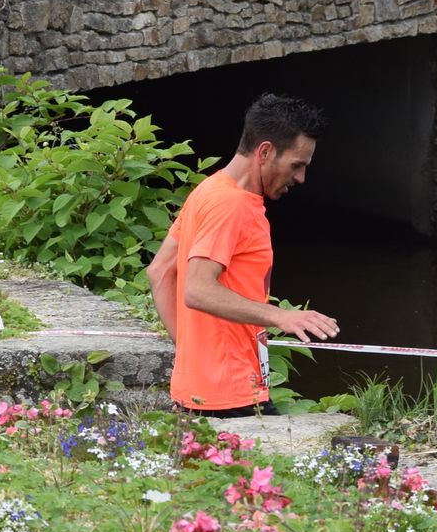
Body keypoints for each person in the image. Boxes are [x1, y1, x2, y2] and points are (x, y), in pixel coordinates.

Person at [145, 93, 339, 417]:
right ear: (265, 152)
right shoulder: (231, 205)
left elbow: (160, 272)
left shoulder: (209, 190)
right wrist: (282, 316)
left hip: (203, 390)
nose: (301, 178)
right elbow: (197, 289)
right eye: (297, 165)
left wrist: (193, 358)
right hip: (232, 394)